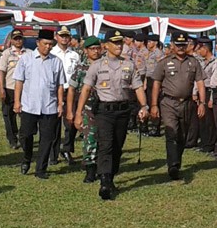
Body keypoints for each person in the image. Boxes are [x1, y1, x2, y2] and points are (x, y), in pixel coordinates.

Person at [75, 29, 149, 200]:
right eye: (115, 43)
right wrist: (78, 112)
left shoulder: (129, 64)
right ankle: (105, 182)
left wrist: (144, 106)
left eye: (120, 42)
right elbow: (86, 89)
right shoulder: (97, 65)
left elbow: (137, 87)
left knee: (117, 146)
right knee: (106, 145)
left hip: (123, 111)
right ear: (106, 45)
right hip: (104, 112)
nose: (118, 46)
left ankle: (111, 175)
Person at [150, 32, 205, 180]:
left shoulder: (193, 62)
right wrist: (154, 105)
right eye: (178, 45)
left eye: (183, 45)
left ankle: (177, 161)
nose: (181, 48)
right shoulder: (164, 62)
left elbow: (200, 83)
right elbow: (156, 83)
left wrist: (202, 103)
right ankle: (172, 164)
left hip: (187, 103)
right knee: (171, 132)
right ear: (172, 45)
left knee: (182, 135)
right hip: (169, 102)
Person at [13, 29, 65, 179]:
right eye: (45, 44)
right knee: (26, 135)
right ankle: (27, 157)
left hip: (49, 106)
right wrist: (17, 101)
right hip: (30, 105)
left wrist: (60, 104)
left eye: (50, 44)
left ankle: (40, 169)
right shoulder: (26, 59)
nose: (48, 47)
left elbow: (60, 85)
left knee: (47, 138)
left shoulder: (56, 61)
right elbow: (19, 81)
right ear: (38, 43)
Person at [66, 36, 102, 183]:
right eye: (92, 49)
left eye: (97, 48)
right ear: (86, 51)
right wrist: (71, 111)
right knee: (90, 138)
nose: (95, 51)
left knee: (104, 139)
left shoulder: (105, 66)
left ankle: (103, 166)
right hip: (87, 107)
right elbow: (72, 90)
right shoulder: (81, 68)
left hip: (104, 107)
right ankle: (90, 168)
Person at [51, 26, 80, 165]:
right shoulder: (51, 52)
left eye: (66, 36)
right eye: (61, 35)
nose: (64, 38)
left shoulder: (75, 55)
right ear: (56, 36)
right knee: (53, 123)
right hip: (54, 91)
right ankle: (53, 153)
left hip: (70, 91)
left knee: (71, 121)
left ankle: (67, 148)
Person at [0, 29, 31, 150]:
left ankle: (23, 137)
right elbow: (1, 71)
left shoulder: (29, 53)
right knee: (9, 115)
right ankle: (12, 139)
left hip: (25, 89)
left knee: (25, 115)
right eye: (15, 38)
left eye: (20, 38)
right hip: (10, 88)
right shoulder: (6, 53)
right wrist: (1, 88)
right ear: (11, 40)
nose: (18, 41)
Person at [195, 37, 217, 153]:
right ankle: (203, 142)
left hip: (209, 91)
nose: (199, 51)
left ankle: (210, 143)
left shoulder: (214, 62)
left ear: (206, 49)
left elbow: (214, 82)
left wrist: (211, 98)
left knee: (209, 120)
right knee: (201, 118)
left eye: (200, 48)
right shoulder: (202, 62)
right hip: (201, 90)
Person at [144, 34, 165, 137]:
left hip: (156, 81)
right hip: (149, 80)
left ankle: (156, 127)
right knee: (149, 102)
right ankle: (151, 126)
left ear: (155, 43)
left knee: (155, 103)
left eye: (150, 42)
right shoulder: (149, 53)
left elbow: (161, 69)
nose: (148, 44)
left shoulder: (158, 54)